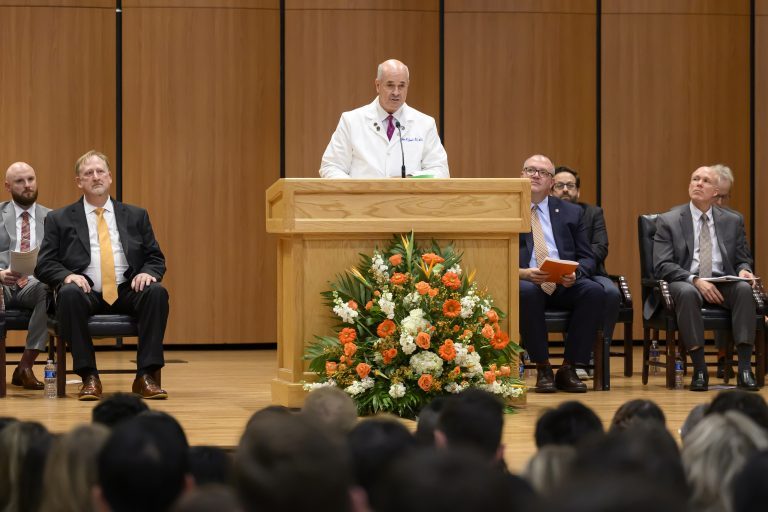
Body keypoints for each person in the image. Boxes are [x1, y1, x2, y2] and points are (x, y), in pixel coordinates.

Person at [35, 150, 169, 401]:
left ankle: (145, 376)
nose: (95, 177)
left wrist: (147, 272)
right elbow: (44, 264)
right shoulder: (58, 219)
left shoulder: (136, 215)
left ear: (109, 177)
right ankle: (89, 376)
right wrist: (66, 276)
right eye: (88, 173)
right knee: (69, 293)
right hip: (86, 292)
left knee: (156, 292)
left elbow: (155, 258)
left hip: (127, 289)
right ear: (79, 182)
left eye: (100, 171)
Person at [649, 166, 758, 391]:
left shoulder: (733, 220)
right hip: (685, 280)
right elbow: (662, 265)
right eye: (695, 179)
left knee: (744, 289)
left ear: (716, 192)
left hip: (722, 281)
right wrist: (695, 280)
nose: (698, 183)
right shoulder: (669, 220)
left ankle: (745, 369)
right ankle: (700, 369)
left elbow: (742, 258)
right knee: (688, 293)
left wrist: (744, 270)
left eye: (705, 181)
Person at [518, 155, 604, 393]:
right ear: (521, 175)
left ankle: (569, 368)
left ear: (552, 183)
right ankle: (543, 368)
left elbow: (587, 256)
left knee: (594, 291)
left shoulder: (571, 212)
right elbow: (497, 255)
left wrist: (575, 273)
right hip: (527, 281)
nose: (535, 175)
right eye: (530, 170)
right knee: (526, 292)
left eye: (543, 172)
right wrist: (522, 273)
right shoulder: (509, 208)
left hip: (563, 282)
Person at [319, 59, 449, 179]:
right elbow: (331, 166)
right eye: (390, 85)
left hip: (407, 196)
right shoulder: (351, 121)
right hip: (363, 197)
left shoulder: (425, 124)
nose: (396, 92)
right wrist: (356, 189)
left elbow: (440, 170)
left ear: (408, 86)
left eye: (401, 86)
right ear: (377, 85)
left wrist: (410, 179)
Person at [552, 166, 622, 379]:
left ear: (578, 191)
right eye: (560, 185)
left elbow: (601, 247)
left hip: (593, 272)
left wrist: (579, 265)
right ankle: (576, 357)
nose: (565, 190)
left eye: (570, 185)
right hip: (556, 272)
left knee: (611, 293)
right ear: (551, 190)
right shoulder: (545, 213)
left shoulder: (593, 213)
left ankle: (599, 350)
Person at [0, 162, 50, 390]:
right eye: (20, 181)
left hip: (34, 284)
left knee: (50, 291)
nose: (27, 185)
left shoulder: (52, 218)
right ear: (8, 186)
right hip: (3, 283)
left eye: (30, 179)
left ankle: (25, 366)